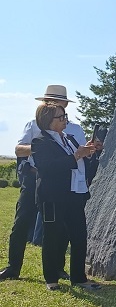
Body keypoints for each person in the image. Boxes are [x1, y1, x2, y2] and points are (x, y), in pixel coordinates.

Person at [0, 85, 89, 282]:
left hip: (61, 183)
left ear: (65, 105)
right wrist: (44, 148)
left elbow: (80, 153)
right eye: (48, 102)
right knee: (22, 221)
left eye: (56, 102)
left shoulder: (74, 129)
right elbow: (18, 149)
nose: (51, 105)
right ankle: (13, 267)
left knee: (60, 228)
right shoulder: (33, 125)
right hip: (34, 176)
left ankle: (57, 268)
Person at [31, 102, 99, 290]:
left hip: (74, 195)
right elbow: (47, 168)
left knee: (79, 236)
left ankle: (78, 277)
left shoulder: (69, 138)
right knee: (53, 236)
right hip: (52, 197)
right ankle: (51, 279)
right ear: (48, 120)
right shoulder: (40, 142)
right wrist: (77, 156)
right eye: (60, 117)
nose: (65, 120)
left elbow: (82, 162)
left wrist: (91, 151)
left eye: (65, 116)